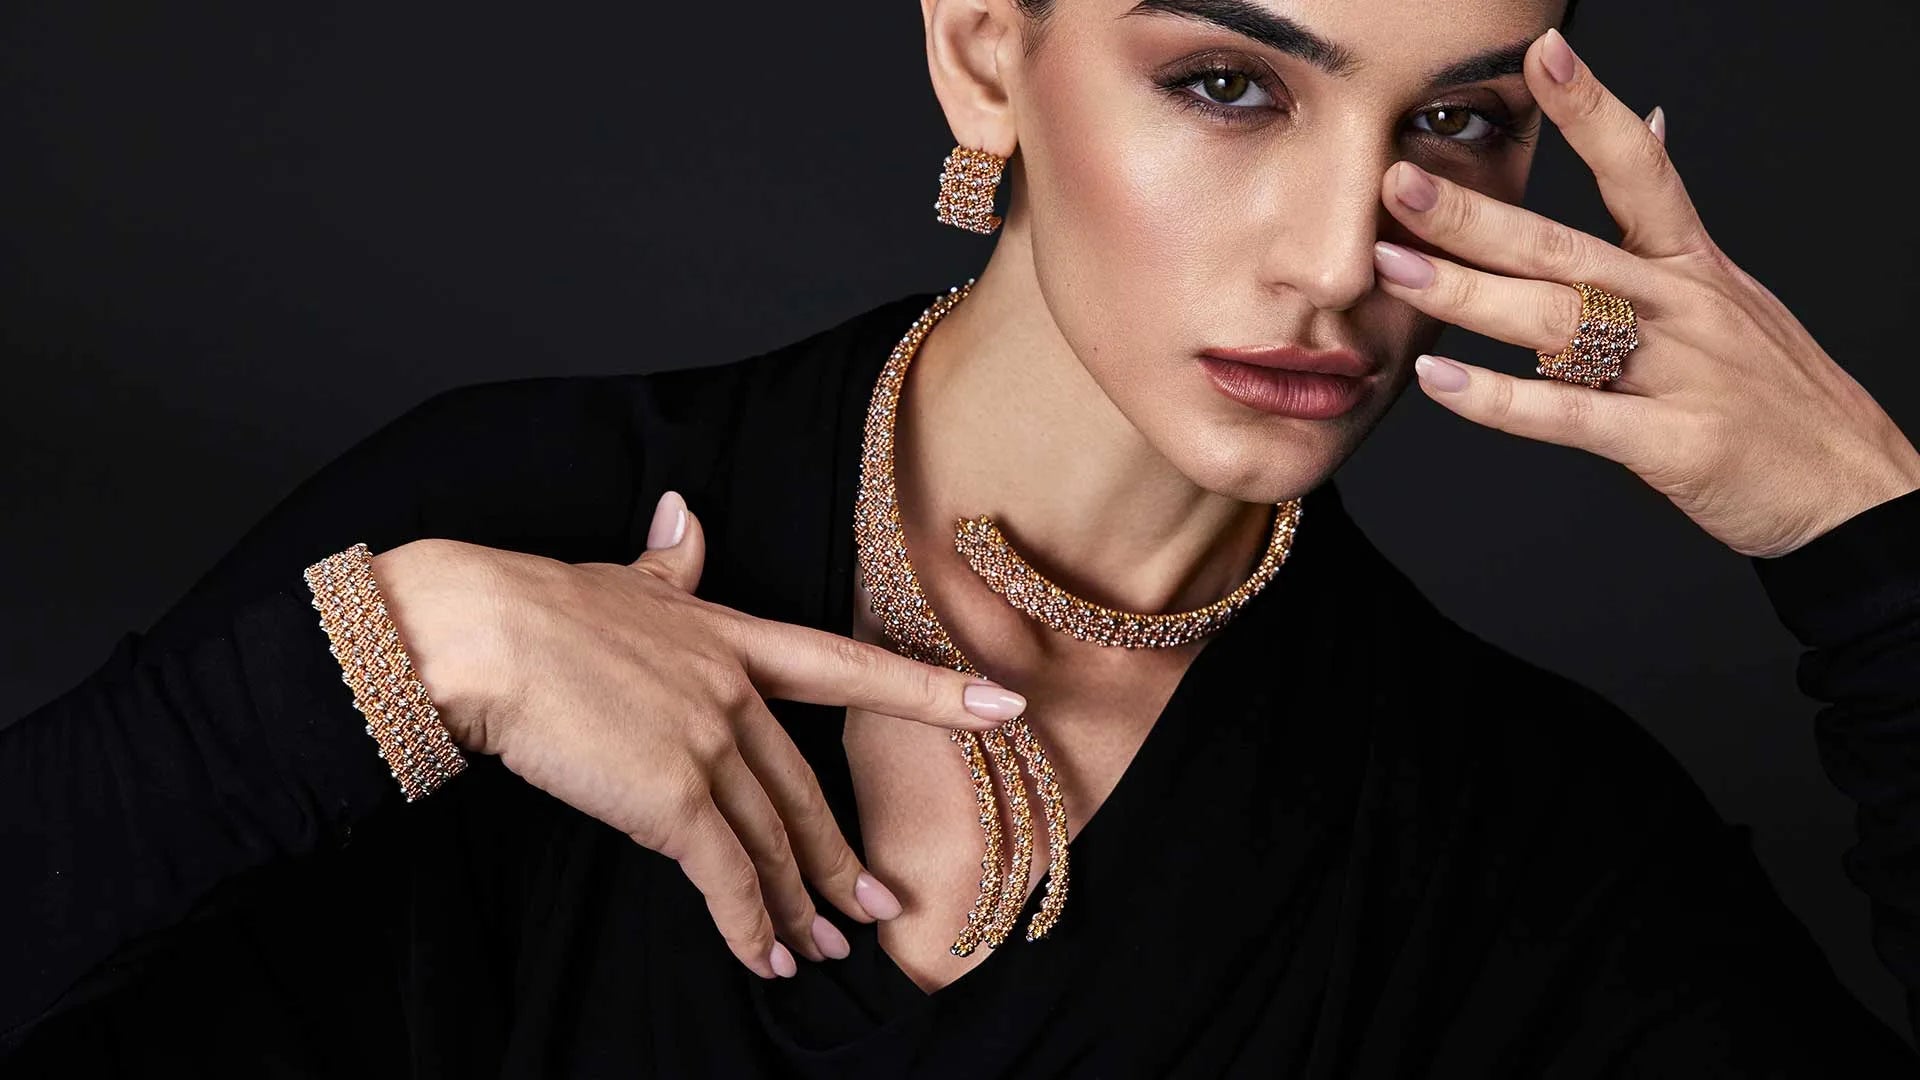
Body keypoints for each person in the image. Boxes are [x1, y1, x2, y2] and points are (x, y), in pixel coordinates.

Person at [4, 0, 1919, 1074]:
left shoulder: (1511, 840)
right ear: (986, 50)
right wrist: (421, 654)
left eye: (1468, 124)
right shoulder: (520, 517)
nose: (1347, 258)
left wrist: (1867, 541)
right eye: (1230, 86)